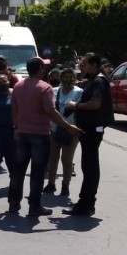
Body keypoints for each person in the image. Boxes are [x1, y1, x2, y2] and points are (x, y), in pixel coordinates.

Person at [9, 57, 82, 217]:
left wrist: (16, 126)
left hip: (21, 133)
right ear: (41, 69)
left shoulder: (18, 86)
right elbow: (50, 111)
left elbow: (14, 108)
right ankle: (34, 206)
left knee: (18, 170)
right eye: (44, 68)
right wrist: (68, 126)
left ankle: (13, 204)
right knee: (37, 172)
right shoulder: (45, 87)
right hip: (39, 135)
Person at [62, 53, 114, 217]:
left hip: (92, 129)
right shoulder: (94, 80)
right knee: (89, 166)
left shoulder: (98, 81)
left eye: (84, 64)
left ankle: (86, 204)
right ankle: (86, 202)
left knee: (90, 167)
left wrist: (75, 106)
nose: (81, 67)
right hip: (89, 129)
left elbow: (95, 104)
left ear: (95, 65)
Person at [43, 68, 83, 197]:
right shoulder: (54, 91)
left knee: (66, 159)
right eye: (65, 76)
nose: (68, 79)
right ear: (60, 78)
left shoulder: (79, 92)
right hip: (54, 129)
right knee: (52, 158)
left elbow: (82, 109)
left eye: (71, 77)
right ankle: (51, 183)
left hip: (70, 130)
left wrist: (75, 107)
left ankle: (65, 185)